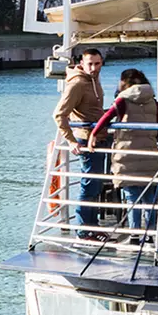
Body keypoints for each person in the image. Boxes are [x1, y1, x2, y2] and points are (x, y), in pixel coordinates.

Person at [88, 68, 158, 237]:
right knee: (149, 198)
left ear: (125, 82)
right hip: (150, 153)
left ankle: (135, 234)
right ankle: (150, 234)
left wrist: (93, 134)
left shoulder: (123, 100)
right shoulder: (152, 101)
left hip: (127, 154)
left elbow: (106, 117)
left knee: (132, 198)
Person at [53, 48, 108, 233]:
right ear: (82, 64)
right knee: (89, 184)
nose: (93, 68)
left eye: (97, 63)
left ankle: (92, 225)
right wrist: (71, 140)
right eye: (90, 64)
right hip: (85, 140)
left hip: (99, 137)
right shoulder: (77, 84)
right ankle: (84, 230)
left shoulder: (94, 80)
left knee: (96, 183)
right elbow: (59, 114)